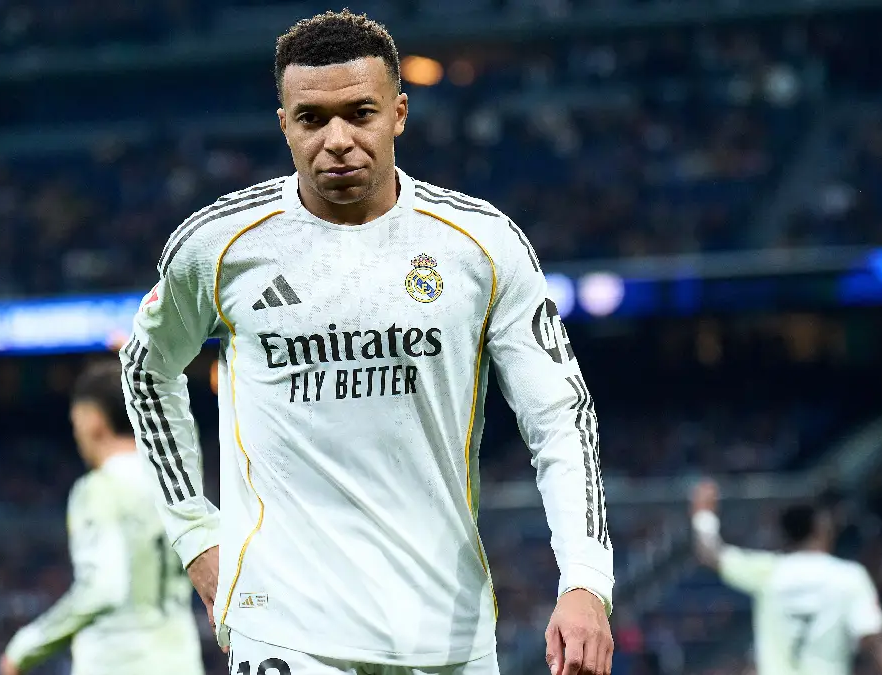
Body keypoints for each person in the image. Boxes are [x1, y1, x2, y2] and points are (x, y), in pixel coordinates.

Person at [120, 10, 614, 675]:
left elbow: (559, 415)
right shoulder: (220, 246)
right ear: (284, 125)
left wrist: (584, 579)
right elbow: (146, 369)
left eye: (360, 113)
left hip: (446, 632)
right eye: (312, 119)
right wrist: (195, 534)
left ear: (399, 113)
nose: (338, 140)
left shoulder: (480, 245)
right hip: (285, 629)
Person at [0, 360, 205, 675]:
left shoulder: (99, 490)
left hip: (118, 663)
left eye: (75, 423)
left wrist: (24, 648)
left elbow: (104, 586)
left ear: (93, 420)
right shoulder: (176, 483)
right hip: (181, 661)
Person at [689, 479, 882, 675]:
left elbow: (710, 554)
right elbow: (876, 643)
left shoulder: (768, 572)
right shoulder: (848, 577)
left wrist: (703, 514)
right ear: (823, 529)